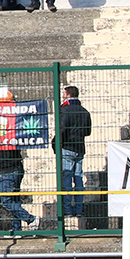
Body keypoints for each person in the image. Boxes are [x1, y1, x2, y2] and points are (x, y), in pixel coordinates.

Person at [55, 85, 93, 221]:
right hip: (80, 148)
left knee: (66, 179)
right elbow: (88, 132)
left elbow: (62, 129)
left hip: (67, 147)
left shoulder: (64, 109)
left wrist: (55, 142)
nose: (63, 95)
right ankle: (78, 210)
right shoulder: (84, 111)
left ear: (68, 95)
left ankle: (67, 210)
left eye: (64, 93)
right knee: (78, 179)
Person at [0, 147, 37, 231]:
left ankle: (31, 219)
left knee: (6, 201)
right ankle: (17, 228)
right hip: (11, 168)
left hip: (10, 170)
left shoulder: (10, 136)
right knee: (14, 200)